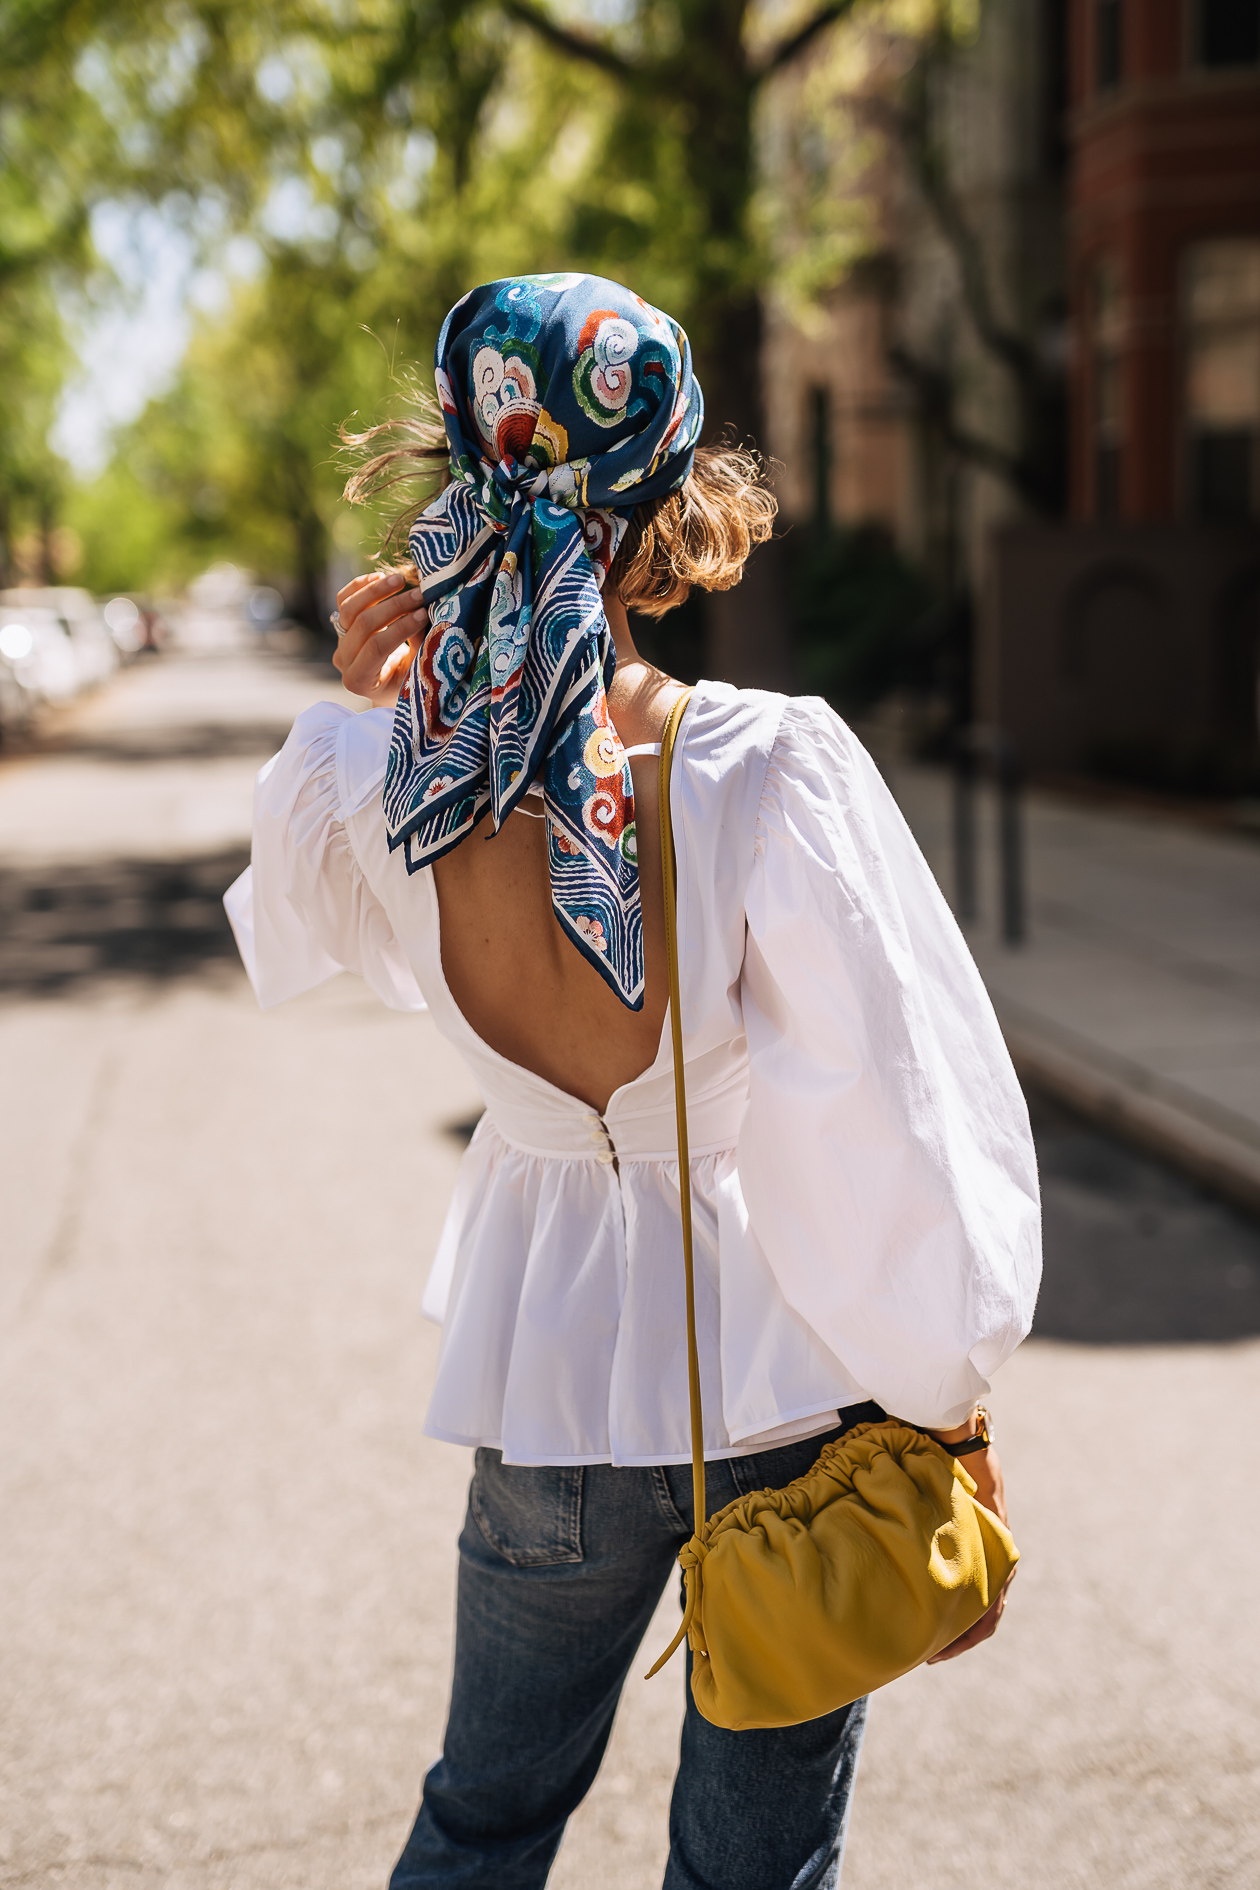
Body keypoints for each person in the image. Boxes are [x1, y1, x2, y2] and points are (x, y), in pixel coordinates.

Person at [225, 272, 1041, 1889]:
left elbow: (312, 933)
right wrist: (950, 1399)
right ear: (662, 495)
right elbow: (881, 1109)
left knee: (482, 1817)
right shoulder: (761, 762)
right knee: (754, 1867)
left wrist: (375, 711)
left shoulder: (364, 775)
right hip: (785, 1380)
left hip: (549, 1389)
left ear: (458, 453)